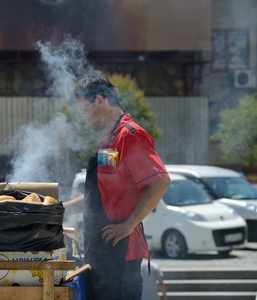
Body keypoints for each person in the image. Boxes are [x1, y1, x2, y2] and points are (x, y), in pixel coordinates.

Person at [65, 71, 170, 300]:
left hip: (121, 255)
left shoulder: (131, 135)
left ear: (100, 101)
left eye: (84, 109)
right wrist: (59, 209)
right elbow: (100, 198)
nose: (83, 117)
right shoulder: (107, 141)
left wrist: (129, 224)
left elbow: (160, 182)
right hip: (101, 254)